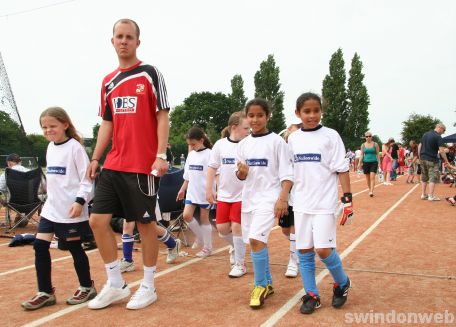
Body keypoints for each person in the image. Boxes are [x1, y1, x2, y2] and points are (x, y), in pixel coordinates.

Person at [86, 18, 170, 310]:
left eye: (129, 37)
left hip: (142, 165)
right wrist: (96, 157)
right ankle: (116, 284)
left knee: (146, 225)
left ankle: (148, 286)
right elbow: (106, 123)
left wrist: (160, 154)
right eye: (119, 36)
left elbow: (162, 115)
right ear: (112, 41)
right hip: (113, 163)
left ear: (137, 42)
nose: (123, 41)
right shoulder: (107, 81)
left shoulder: (150, 73)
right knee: (97, 221)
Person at [21, 107, 96, 310]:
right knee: (39, 247)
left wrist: (80, 202)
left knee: (73, 247)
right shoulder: (50, 148)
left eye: (52, 126)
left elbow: (86, 179)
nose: (48, 130)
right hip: (51, 209)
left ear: (65, 124)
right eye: (44, 127)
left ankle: (87, 287)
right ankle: (45, 292)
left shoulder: (75, 148)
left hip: (71, 211)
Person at [287, 92, 353, 315]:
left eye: (316, 111)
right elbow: (289, 170)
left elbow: (341, 168)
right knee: (304, 251)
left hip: (324, 203)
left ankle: (342, 283)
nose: (312, 115)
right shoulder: (293, 138)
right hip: (301, 203)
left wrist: (348, 199)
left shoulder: (331, 136)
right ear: (298, 113)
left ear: (321, 111)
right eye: (307, 111)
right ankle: (312, 294)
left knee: (323, 250)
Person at [236, 98, 293, 308]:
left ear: (268, 116)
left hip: (269, 199)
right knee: (255, 241)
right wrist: (241, 173)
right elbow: (241, 175)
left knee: (255, 239)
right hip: (249, 199)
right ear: (246, 117)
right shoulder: (243, 145)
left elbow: (288, 174)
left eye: (260, 115)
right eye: (251, 115)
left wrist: (282, 198)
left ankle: (259, 286)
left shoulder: (277, 143)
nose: (255, 119)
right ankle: (268, 283)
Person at [206, 111, 250, 277]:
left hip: (242, 194)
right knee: (223, 229)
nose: (249, 131)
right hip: (224, 194)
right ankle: (237, 246)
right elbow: (212, 167)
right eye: (246, 128)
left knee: (237, 226)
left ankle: (240, 263)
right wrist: (209, 188)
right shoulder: (220, 144)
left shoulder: (248, 144)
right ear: (234, 127)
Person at [177, 127, 214, 258]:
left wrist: (214, 191)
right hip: (192, 192)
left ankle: (208, 248)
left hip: (205, 193)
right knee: (186, 216)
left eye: (193, 144)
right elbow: (187, 176)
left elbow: (215, 174)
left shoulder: (210, 154)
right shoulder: (191, 155)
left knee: (204, 219)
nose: (191, 147)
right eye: (189, 145)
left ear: (201, 140)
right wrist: (182, 189)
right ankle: (200, 237)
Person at [280, 122, 302, 278]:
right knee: (285, 230)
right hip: (283, 194)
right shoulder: (282, 149)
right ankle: (301, 246)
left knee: (294, 229)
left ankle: (293, 262)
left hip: (298, 195)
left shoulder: (302, 149)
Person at [418, 123, 455, 201]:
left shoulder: (425, 134)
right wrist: (447, 161)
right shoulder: (438, 137)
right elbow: (441, 151)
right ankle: (431, 196)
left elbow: (420, 146)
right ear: (440, 128)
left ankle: (423, 194)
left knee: (424, 177)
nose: (443, 132)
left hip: (422, 158)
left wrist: (420, 156)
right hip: (432, 159)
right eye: (443, 130)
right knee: (433, 177)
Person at [358, 131, 381, 197]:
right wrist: (359, 163)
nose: (368, 137)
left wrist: (379, 162)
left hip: (374, 162)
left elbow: (378, 154)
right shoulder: (363, 145)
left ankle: (371, 191)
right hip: (366, 162)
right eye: (367, 136)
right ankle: (370, 189)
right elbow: (362, 154)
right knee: (367, 178)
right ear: (365, 137)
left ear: (371, 137)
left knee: (372, 177)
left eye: (369, 136)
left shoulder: (375, 144)